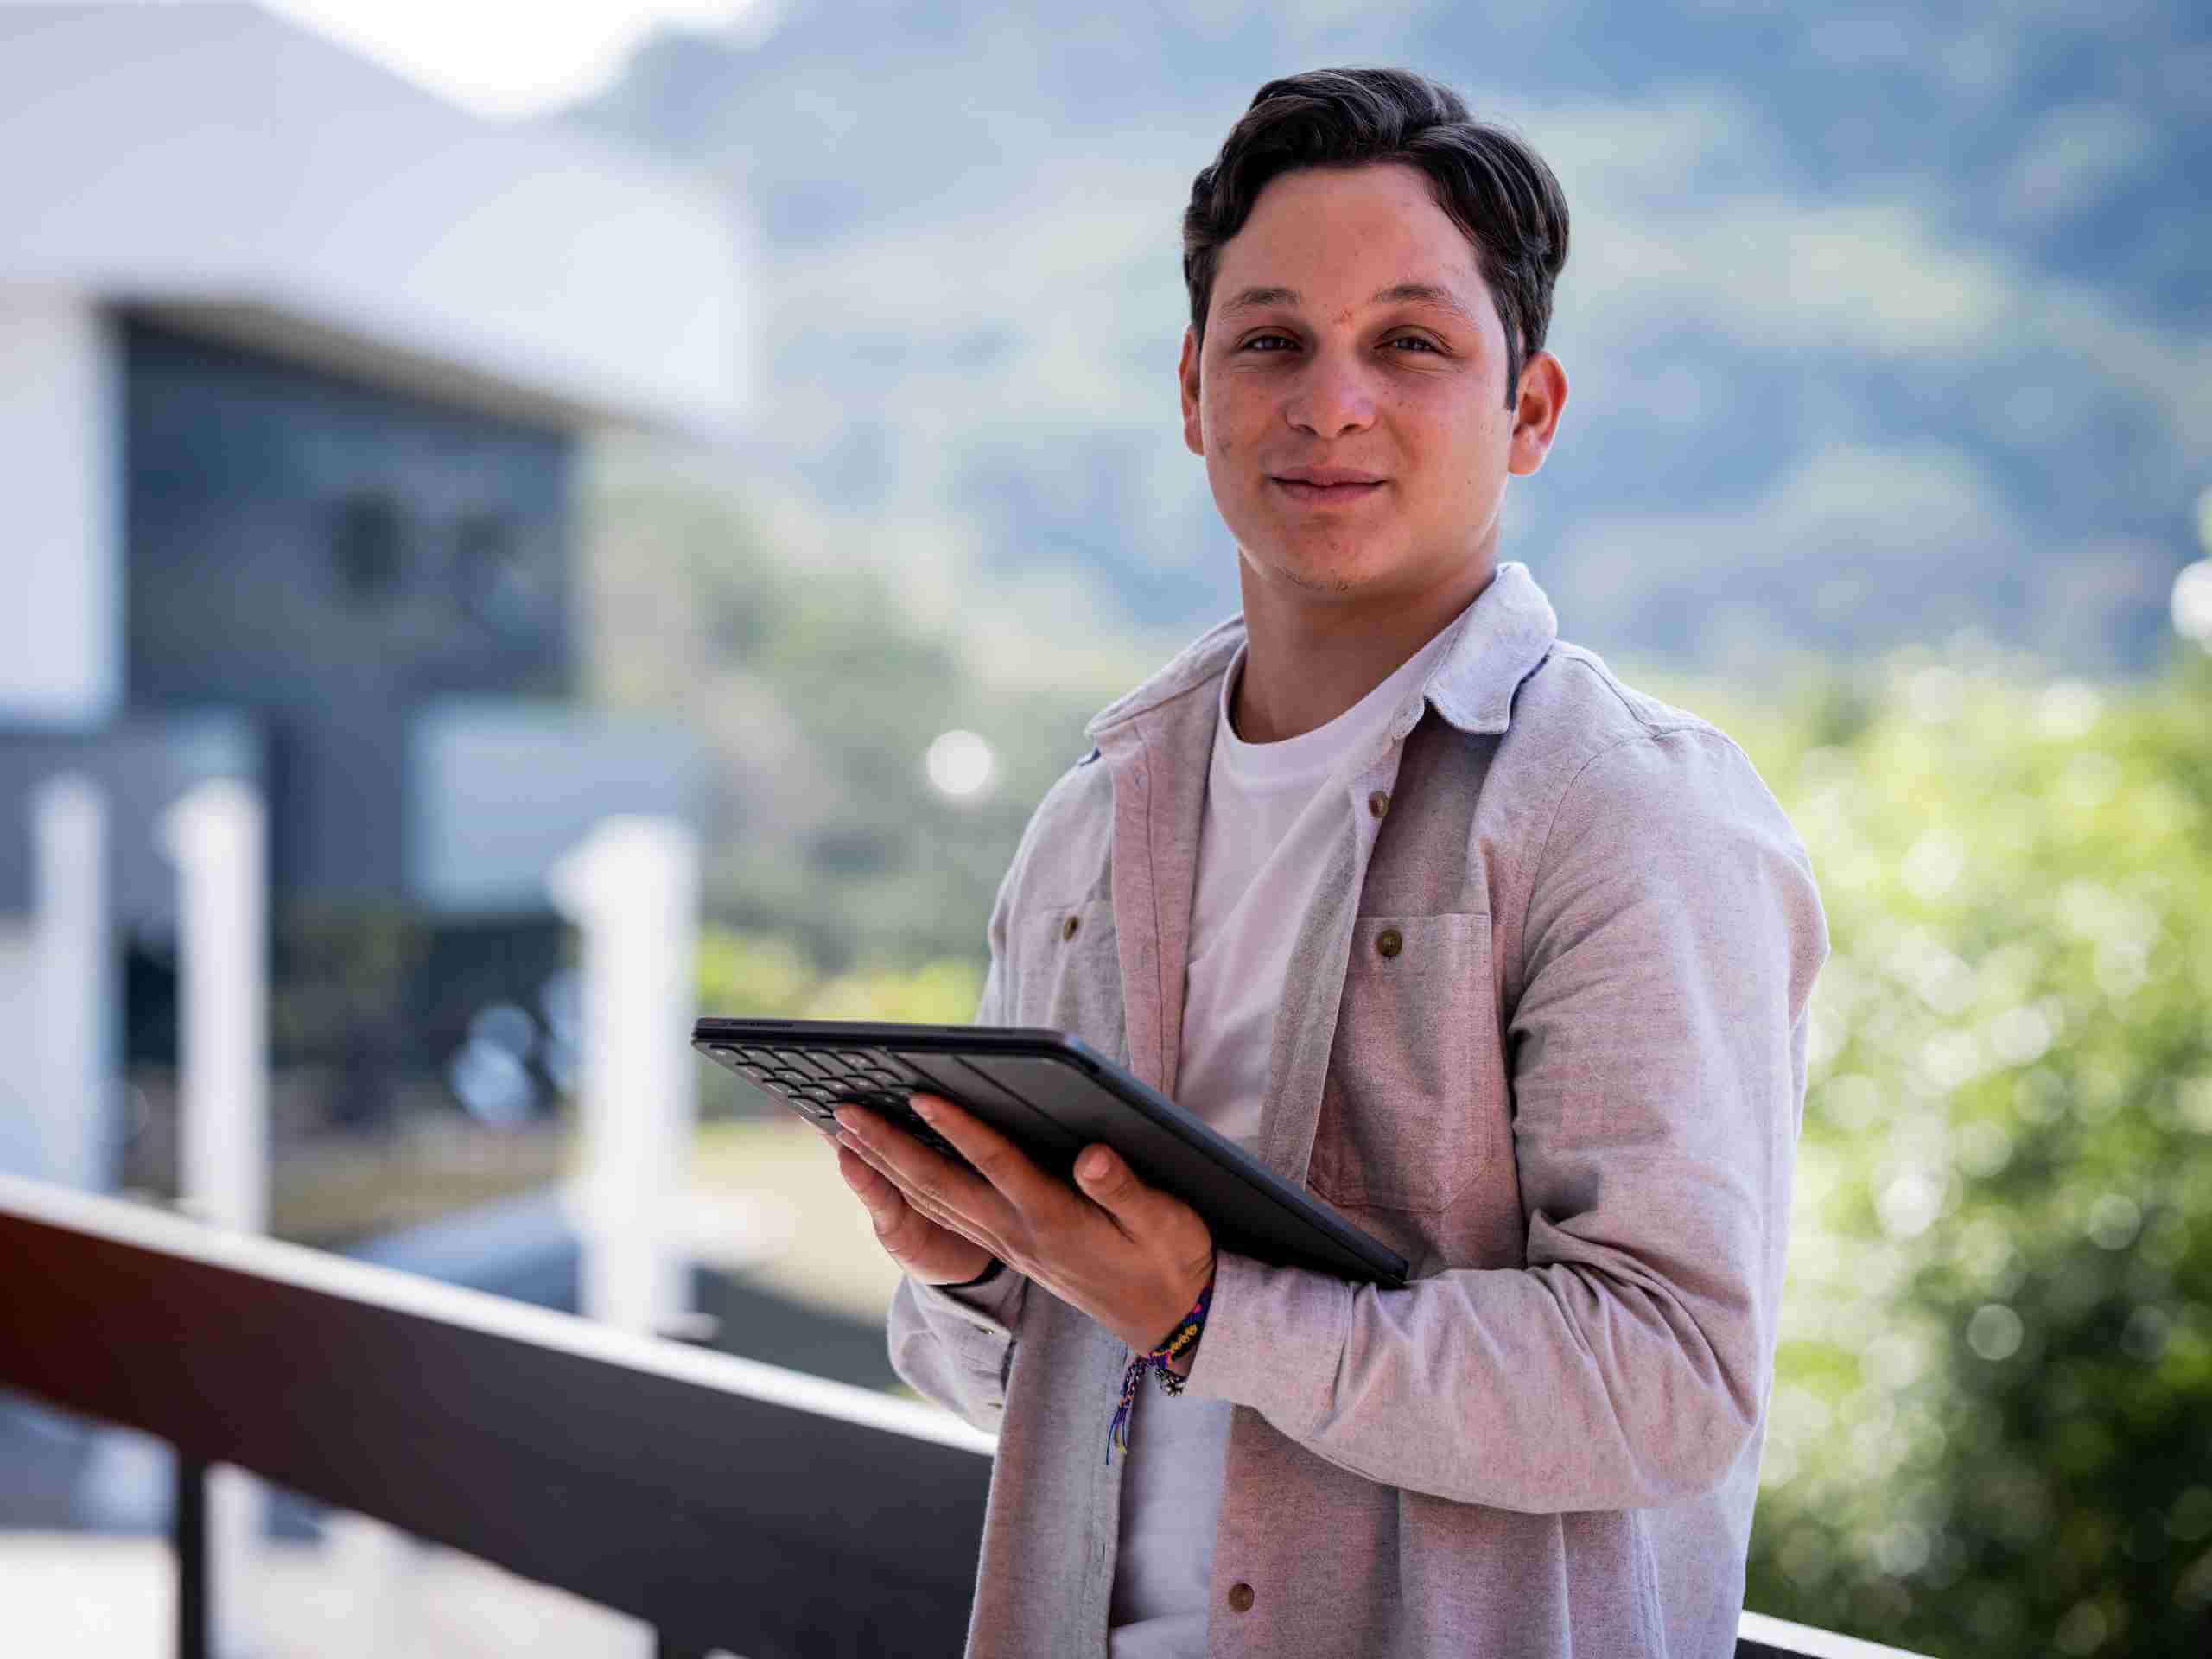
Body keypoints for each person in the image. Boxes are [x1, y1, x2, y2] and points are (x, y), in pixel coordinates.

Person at [828, 65, 1829, 1659]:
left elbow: (1671, 1384)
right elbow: (1008, 1391)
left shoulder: (1628, 814)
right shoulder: (1093, 819)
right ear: (1191, 389)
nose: (1329, 401)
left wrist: (1211, 1312)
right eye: (1273, 340)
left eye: (1410, 344)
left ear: (1530, 412)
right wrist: (973, 1269)